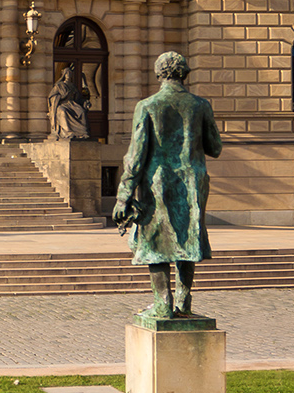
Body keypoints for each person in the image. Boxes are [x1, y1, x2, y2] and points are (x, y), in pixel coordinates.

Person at [113, 51, 222, 318]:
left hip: (157, 184)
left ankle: (163, 303)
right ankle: (184, 302)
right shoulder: (200, 105)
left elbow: (136, 156)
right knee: (188, 237)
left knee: (156, 243)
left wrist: (123, 195)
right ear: (184, 73)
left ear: (159, 73)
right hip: (193, 182)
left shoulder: (148, 106)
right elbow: (215, 148)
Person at [49, 64, 91, 140]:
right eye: (67, 73)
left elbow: (78, 99)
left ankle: (83, 133)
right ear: (64, 75)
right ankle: (68, 132)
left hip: (72, 104)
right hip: (63, 104)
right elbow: (52, 97)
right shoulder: (59, 86)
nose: (68, 75)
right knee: (63, 111)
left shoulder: (72, 86)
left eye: (70, 73)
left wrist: (85, 102)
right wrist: (62, 97)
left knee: (82, 112)